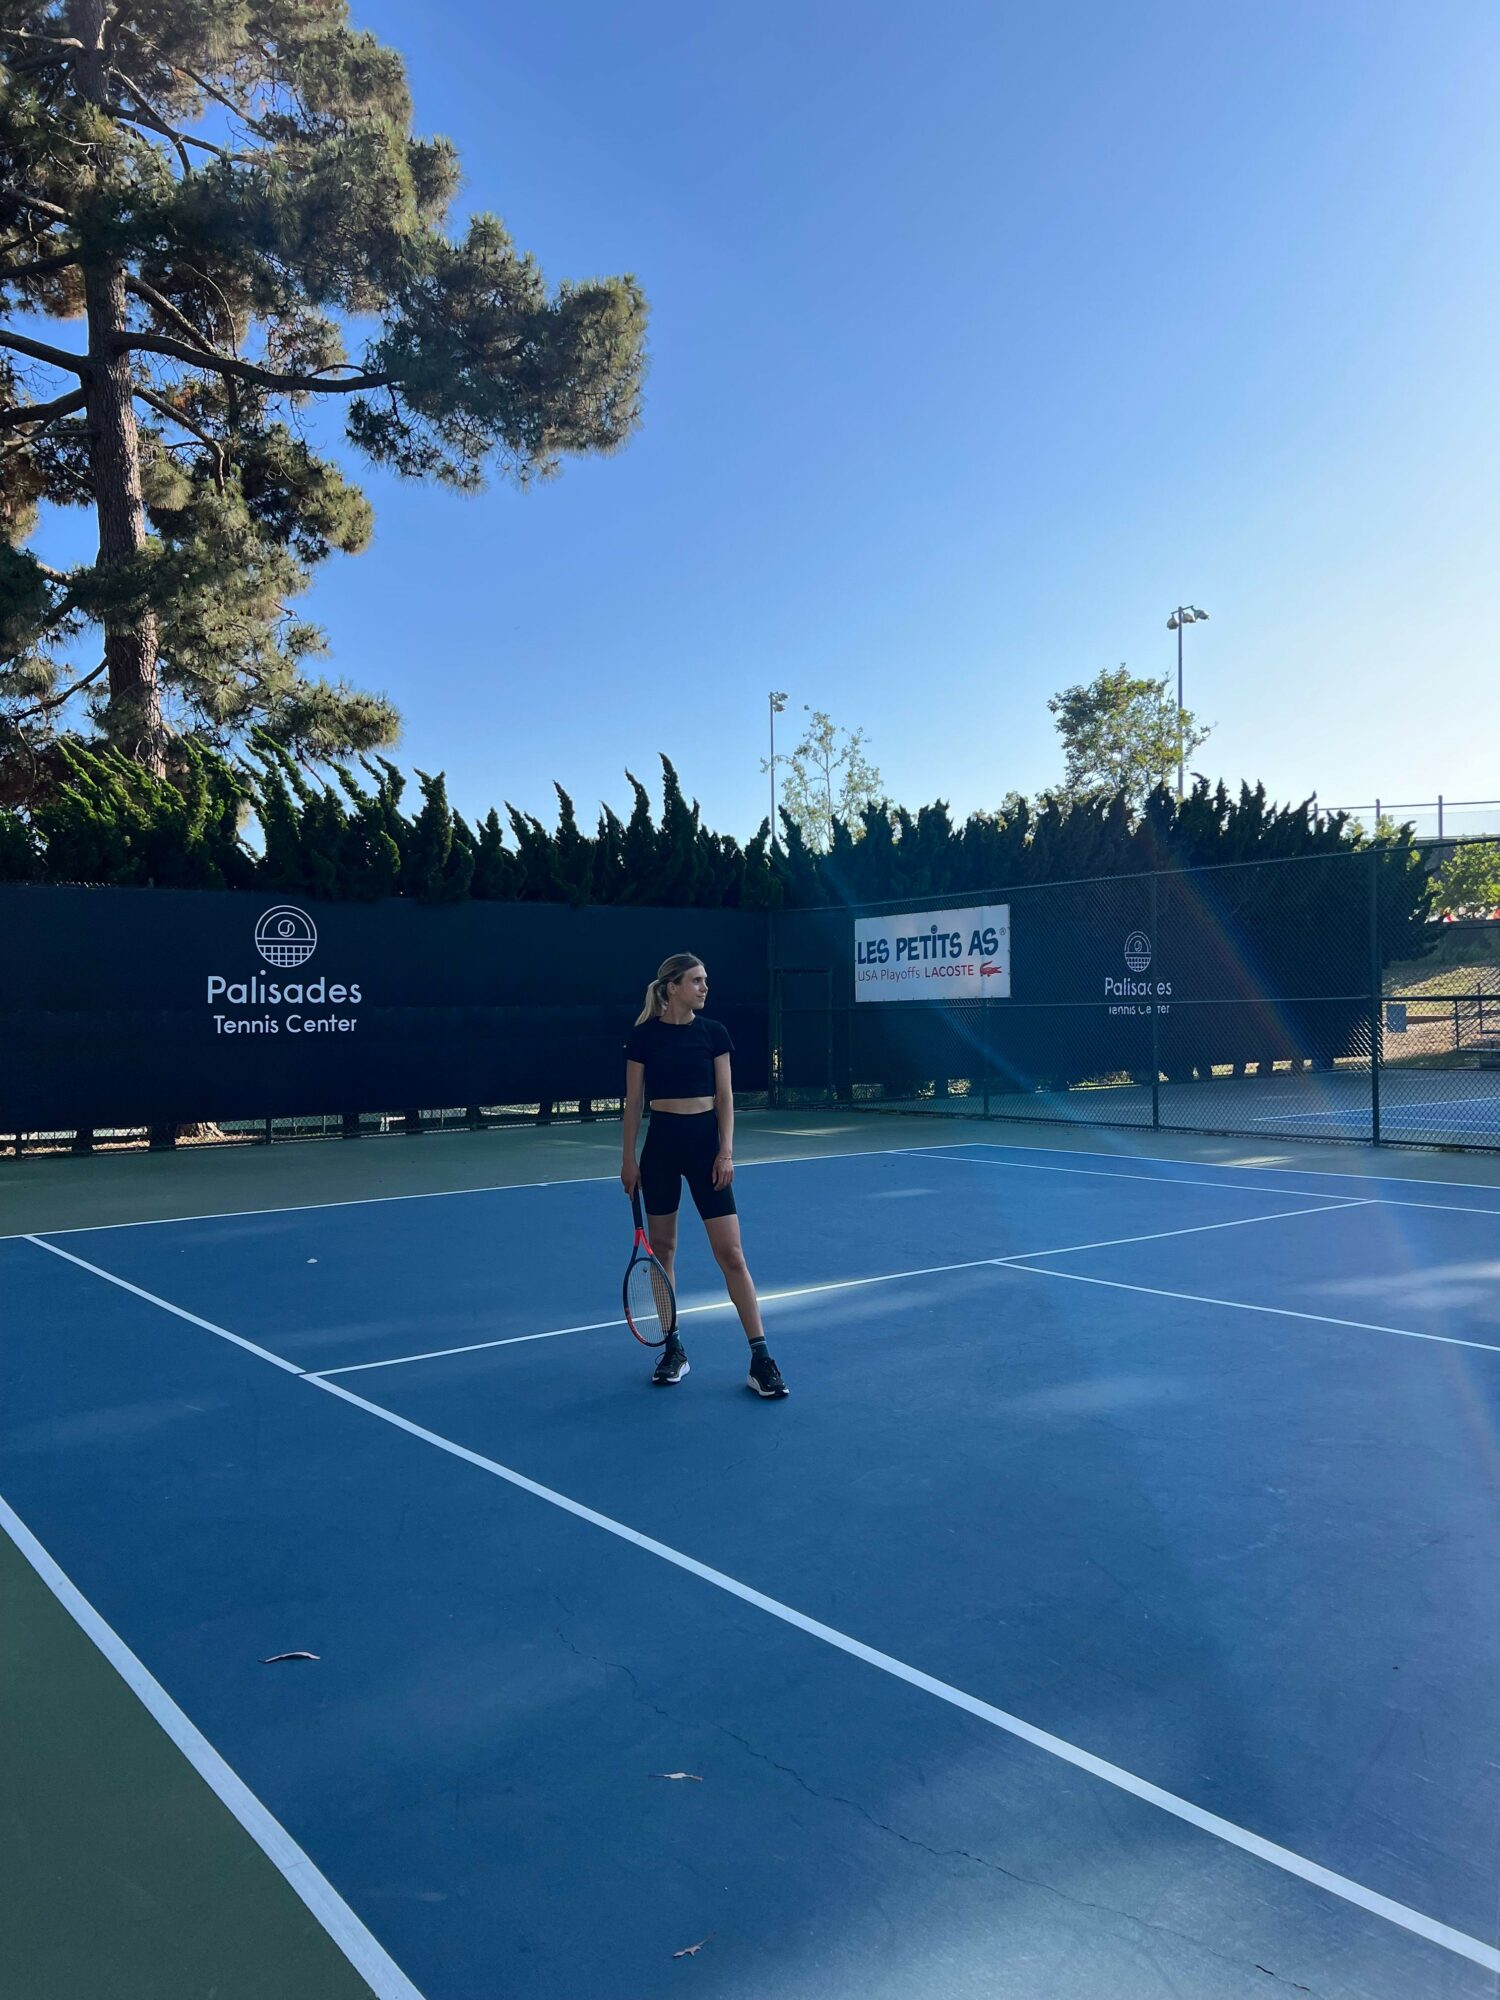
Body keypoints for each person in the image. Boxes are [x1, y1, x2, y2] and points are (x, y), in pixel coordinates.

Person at [621, 952, 788, 1397]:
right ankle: (673, 1349)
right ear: (673, 986)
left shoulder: (714, 1033)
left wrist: (726, 1153)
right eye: (696, 981)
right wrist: (628, 1159)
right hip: (660, 1151)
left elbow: (725, 1097)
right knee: (663, 1252)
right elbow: (634, 1103)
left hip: (706, 1151)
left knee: (731, 1254)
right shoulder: (643, 1037)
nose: (704, 987)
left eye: (705, 980)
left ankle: (761, 1359)